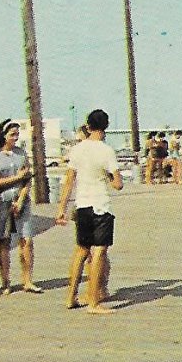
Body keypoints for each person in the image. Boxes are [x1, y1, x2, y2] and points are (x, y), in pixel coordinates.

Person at [54, 109, 123, 314]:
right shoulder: (106, 151)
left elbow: (68, 183)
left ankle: (70, 297)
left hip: (82, 205)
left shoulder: (77, 150)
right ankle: (93, 302)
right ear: (105, 127)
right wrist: (110, 178)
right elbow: (118, 184)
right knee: (99, 252)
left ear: (88, 126)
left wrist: (61, 209)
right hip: (100, 205)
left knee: (81, 251)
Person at [0, 119, 39, 293]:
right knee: (4, 242)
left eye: (17, 134)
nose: (15, 138)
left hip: (21, 201)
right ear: (3, 135)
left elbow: (28, 178)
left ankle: (27, 280)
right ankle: (6, 282)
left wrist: (21, 199)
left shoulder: (21, 153)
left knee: (27, 240)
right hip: (1, 202)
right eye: (12, 134)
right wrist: (18, 177)